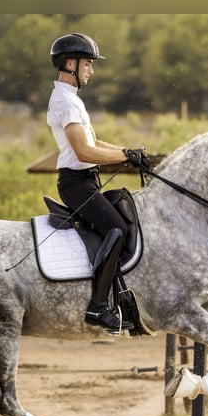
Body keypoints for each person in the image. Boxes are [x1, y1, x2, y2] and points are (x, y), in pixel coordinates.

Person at [47, 32, 149, 334]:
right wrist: (123, 155)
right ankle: (98, 307)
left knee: (122, 222)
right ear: (70, 63)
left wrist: (126, 154)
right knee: (116, 230)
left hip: (86, 180)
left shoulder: (71, 100)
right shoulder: (65, 102)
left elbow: (95, 142)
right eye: (88, 64)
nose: (91, 70)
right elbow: (84, 151)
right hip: (77, 183)